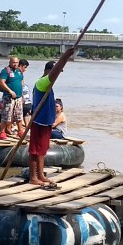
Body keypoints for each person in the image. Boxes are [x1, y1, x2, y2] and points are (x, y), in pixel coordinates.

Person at [28, 48, 75, 187]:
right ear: (48, 71)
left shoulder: (49, 85)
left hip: (46, 122)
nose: (57, 76)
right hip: (39, 122)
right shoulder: (42, 82)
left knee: (42, 150)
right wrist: (65, 57)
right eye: (56, 72)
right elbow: (53, 74)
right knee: (35, 150)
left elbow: (54, 74)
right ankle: (33, 177)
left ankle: (41, 175)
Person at [0, 55, 25, 139]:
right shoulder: (5, 71)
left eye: (16, 62)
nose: (15, 64)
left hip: (18, 97)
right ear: (10, 62)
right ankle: (2, 132)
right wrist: (10, 91)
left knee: (19, 115)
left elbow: (21, 82)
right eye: (13, 62)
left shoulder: (19, 71)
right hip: (8, 97)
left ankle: (20, 131)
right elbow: (2, 82)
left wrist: (22, 95)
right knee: (6, 115)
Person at [19, 59, 32, 126]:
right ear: (21, 66)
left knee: (24, 113)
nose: (25, 69)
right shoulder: (18, 74)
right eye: (25, 67)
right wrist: (22, 96)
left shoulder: (21, 74)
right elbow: (19, 86)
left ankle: (26, 126)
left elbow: (22, 85)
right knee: (20, 114)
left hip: (25, 100)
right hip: (22, 98)